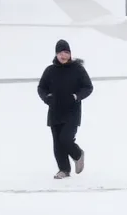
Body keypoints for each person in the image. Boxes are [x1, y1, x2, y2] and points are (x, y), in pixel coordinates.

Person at [36, 39, 94, 179]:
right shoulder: (50, 70)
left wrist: (76, 96)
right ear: (56, 54)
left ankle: (77, 154)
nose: (64, 56)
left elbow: (88, 87)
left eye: (67, 53)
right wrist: (46, 98)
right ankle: (64, 170)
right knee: (57, 142)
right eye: (61, 53)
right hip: (55, 111)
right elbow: (41, 88)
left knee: (66, 138)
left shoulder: (78, 69)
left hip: (72, 111)